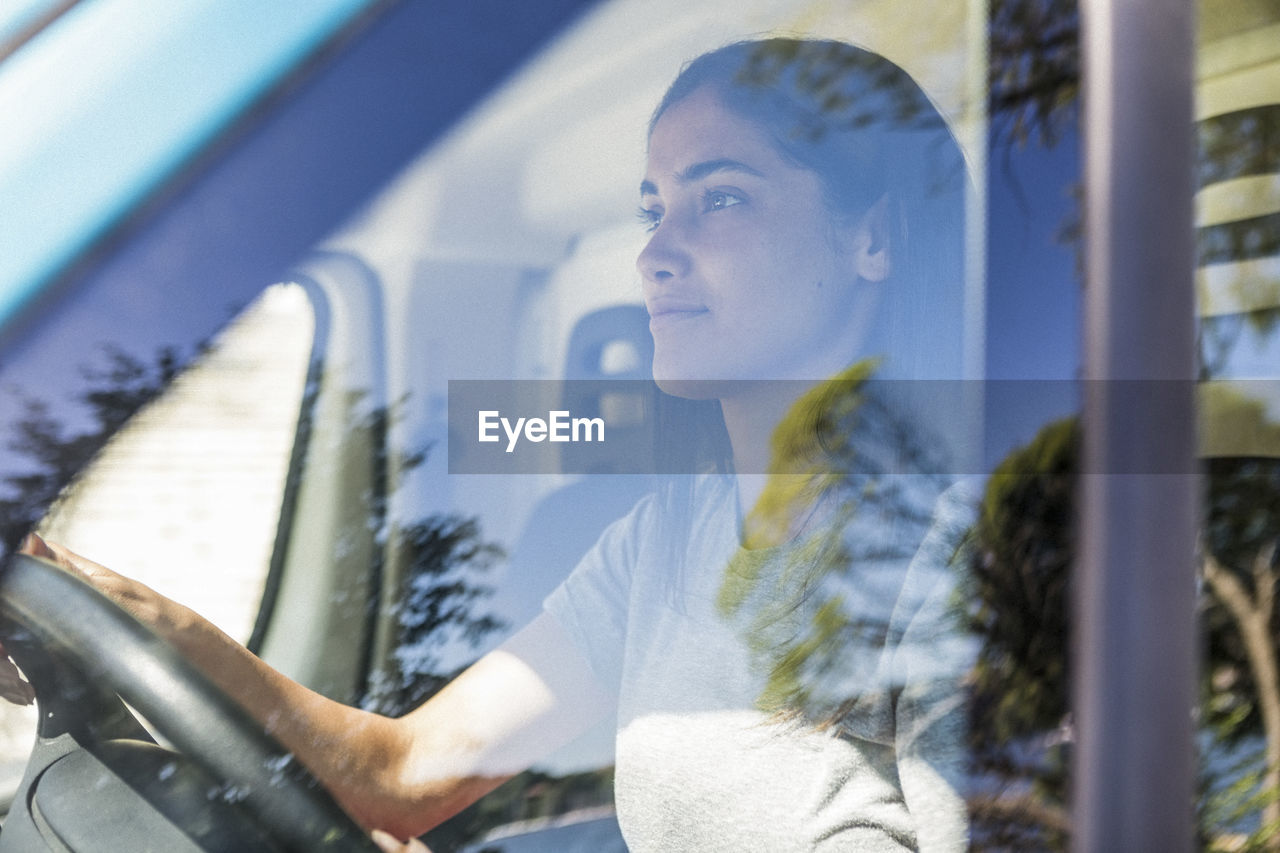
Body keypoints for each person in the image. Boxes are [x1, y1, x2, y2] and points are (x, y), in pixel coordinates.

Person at [7, 37, 974, 852]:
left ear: (872, 239)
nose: (654, 250)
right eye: (651, 208)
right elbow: (400, 771)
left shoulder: (966, 562)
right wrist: (118, 610)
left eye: (719, 198)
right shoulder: (667, 535)